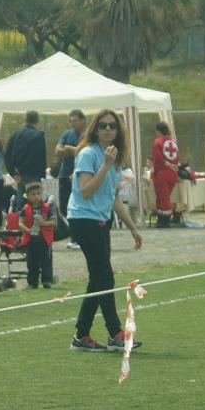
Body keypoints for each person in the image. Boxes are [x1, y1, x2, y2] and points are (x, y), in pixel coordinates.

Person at [67, 110, 143, 352]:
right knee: (105, 277)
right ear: (95, 129)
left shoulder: (113, 156)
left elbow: (113, 198)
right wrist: (106, 165)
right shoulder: (89, 153)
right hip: (84, 219)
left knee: (97, 279)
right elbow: (86, 190)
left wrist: (132, 227)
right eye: (103, 126)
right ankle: (115, 333)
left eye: (112, 126)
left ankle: (81, 336)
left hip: (100, 220)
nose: (108, 129)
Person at [55, 110, 87, 249]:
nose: (73, 123)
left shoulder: (87, 135)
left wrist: (69, 148)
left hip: (80, 175)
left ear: (82, 121)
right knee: (64, 206)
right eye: (71, 120)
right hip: (64, 174)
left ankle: (77, 238)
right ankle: (72, 234)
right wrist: (72, 150)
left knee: (78, 207)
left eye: (75, 120)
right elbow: (57, 151)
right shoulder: (66, 134)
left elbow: (84, 152)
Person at [18, 181, 55, 288]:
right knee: (32, 262)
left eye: (38, 193)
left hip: (44, 239)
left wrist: (43, 223)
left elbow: (53, 222)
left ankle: (47, 281)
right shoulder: (25, 208)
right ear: (28, 196)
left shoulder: (48, 208)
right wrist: (27, 230)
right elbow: (20, 222)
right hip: (31, 239)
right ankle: (32, 283)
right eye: (33, 194)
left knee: (46, 261)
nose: (36, 196)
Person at [5, 110, 48, 185]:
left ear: (25, 119)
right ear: (37, 120)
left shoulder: (15, 135)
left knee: (21, 195)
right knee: (35, 195)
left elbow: (7, 156)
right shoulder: (38, 136)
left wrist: (13, 173)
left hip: (19, 175)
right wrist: (43, 175)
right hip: (34, 174)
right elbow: (40, 157)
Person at [150, 122, 180, 229]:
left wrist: (168, 165)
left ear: (158, 131)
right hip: (172, 174)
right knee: (166, 197)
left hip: (162, 173)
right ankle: (162, 218)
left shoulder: (158, 142)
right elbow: (176, 159)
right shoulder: (173, 142)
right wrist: (173, 166)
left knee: (163, 197)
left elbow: (158, 158)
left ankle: (164, 220)